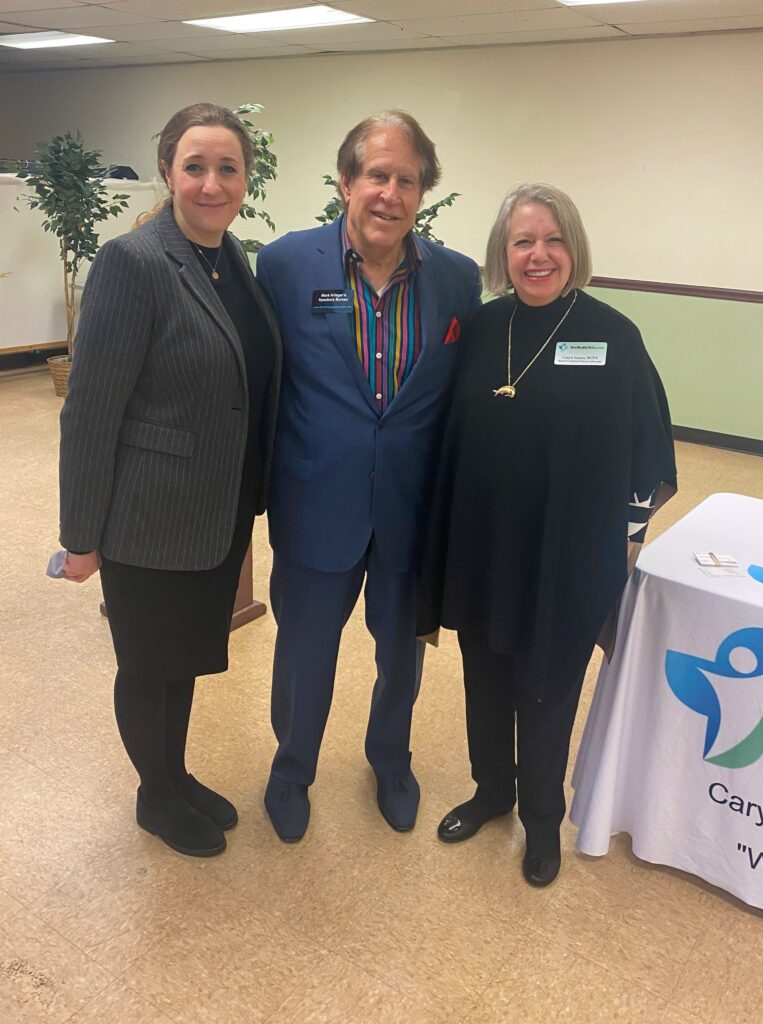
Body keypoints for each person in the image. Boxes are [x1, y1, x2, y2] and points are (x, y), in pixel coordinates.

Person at [418, 182, 677, 886]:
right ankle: (491, 792)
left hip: (567, 552)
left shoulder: (613, 335)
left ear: (574, 249)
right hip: (483, 544)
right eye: (523, 241)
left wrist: (625, 543)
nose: (538, 255)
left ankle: (540, 819)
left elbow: (648, 455)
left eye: (553, 239)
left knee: (548, 683)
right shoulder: (478, 328)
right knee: (485, 674)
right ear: (505, 252)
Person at [59, 102, 282, 858]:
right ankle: (154, 795)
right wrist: (80, 537)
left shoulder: (231, 257)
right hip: (148, 516)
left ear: (245, 178)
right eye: (196, 166)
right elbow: (90, 408)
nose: (212, 183)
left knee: (183, 655)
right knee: (148, 663)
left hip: (216, 513)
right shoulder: (134, 262)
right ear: (167, 172)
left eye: (227, 168)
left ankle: (175, 774)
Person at [256, 110, 481, 842]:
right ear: (345, 182)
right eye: (376, 175)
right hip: (316, 504)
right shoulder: (286, 266)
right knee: (304, 656)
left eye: (406, 180)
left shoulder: (455, 279)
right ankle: (291, 770)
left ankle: (391, 760)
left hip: (409, 513)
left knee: (401, 657)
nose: (389, 193)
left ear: (423, 192)